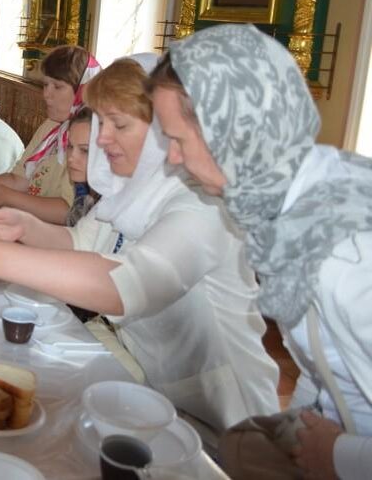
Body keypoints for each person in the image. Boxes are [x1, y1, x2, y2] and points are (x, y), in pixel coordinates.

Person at [0, 54, 281, 432]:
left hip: (225, 412)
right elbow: (78, 240)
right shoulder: (131, 190)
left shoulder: (200, 202)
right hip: (154, 384)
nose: (103, 139)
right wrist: (23, 226)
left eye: (118, 124)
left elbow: (125, 284)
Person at [147, 24, 372, 480]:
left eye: (178, 140)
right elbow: (325, 358)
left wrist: (339, 456)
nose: (172, 159)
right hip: (335, 426)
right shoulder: (288, 200)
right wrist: (309, 430)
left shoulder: (347, 255)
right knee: (238, 445)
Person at [0, 46, 100, 224]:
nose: (46, 95)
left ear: (82, 90)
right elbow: (19, 179)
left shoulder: (91, 137)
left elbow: (68, 211)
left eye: (57, 87)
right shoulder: (51, 127)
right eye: (45, 85)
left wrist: (7, 197)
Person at [63, 107, 98, 226]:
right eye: (70, 146)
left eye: (85, 150)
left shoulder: (109, 206)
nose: (71, 157)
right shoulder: (82, 192)